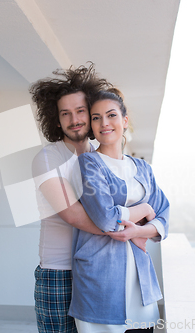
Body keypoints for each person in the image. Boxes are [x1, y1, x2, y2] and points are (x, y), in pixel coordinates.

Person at [30, 64, 132, 333]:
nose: (74, 119)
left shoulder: (101, 157)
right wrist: (129, 228)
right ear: (56, 118)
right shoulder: (48, 158)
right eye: (65, 113)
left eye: (80, 111)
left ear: (91, 114)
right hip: (60, 272)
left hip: (99, 268)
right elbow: (74, 215)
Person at [69, 88, 170, 333]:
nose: (104, 123)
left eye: (111, 115)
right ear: (91, 126)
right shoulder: (89, 163)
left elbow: (164, 213)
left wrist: (139, 231)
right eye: (96, 117)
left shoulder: (143, 168)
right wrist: (144, 208)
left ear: (124, 121)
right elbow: (105, 217)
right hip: (100, 281)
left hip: (140, 281)